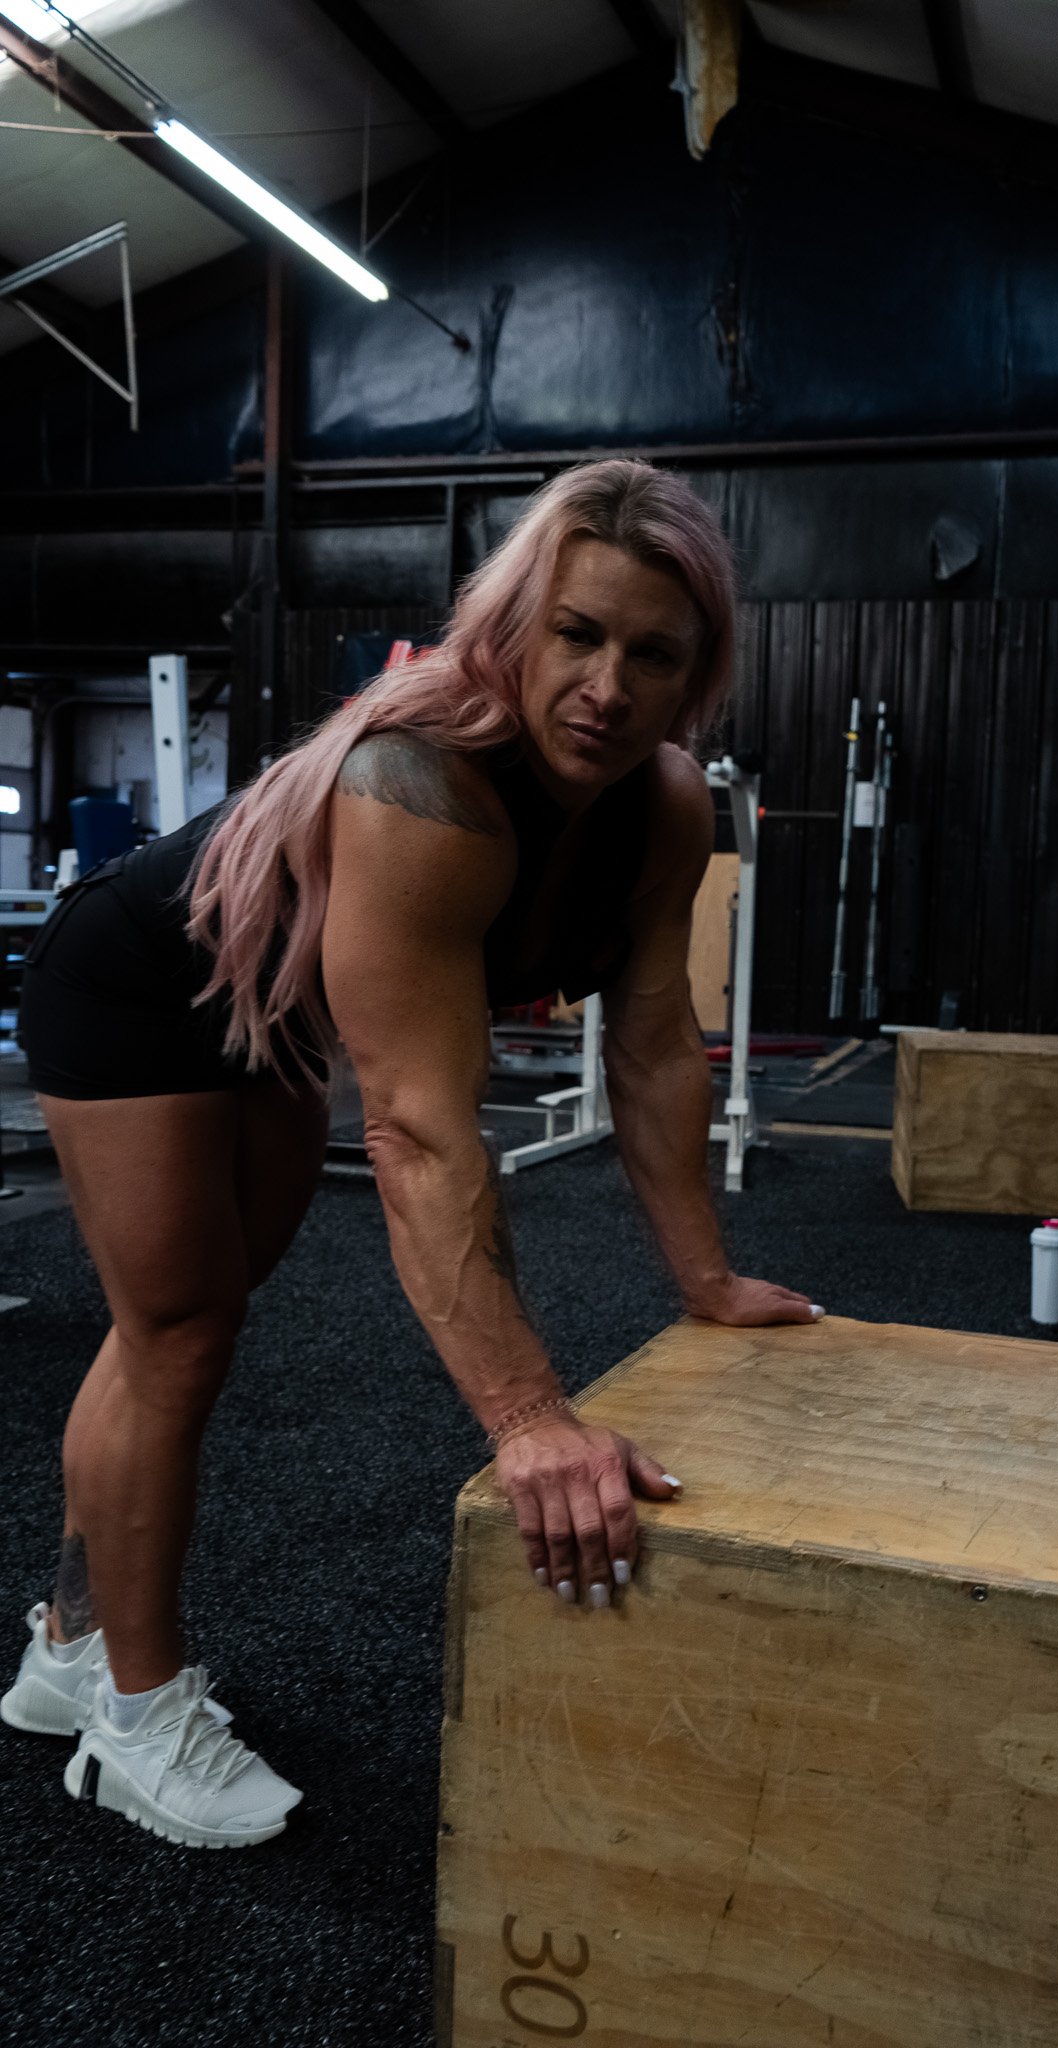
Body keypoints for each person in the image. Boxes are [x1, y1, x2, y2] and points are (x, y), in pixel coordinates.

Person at [1, 460, 822, 1850]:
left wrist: (707, 1277)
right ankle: (132, 1717)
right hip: (139, 984)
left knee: (176, 1322)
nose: (607, 687)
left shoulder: (665, 806)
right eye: (578, 634)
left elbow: (656, 1040)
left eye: (652, 655)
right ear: (514, 624)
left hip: (262, 1018)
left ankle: (64, 1649)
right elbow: (423, 1135)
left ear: (699, 675)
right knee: (180, 1330)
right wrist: (528, 1422)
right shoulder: (419, 788)